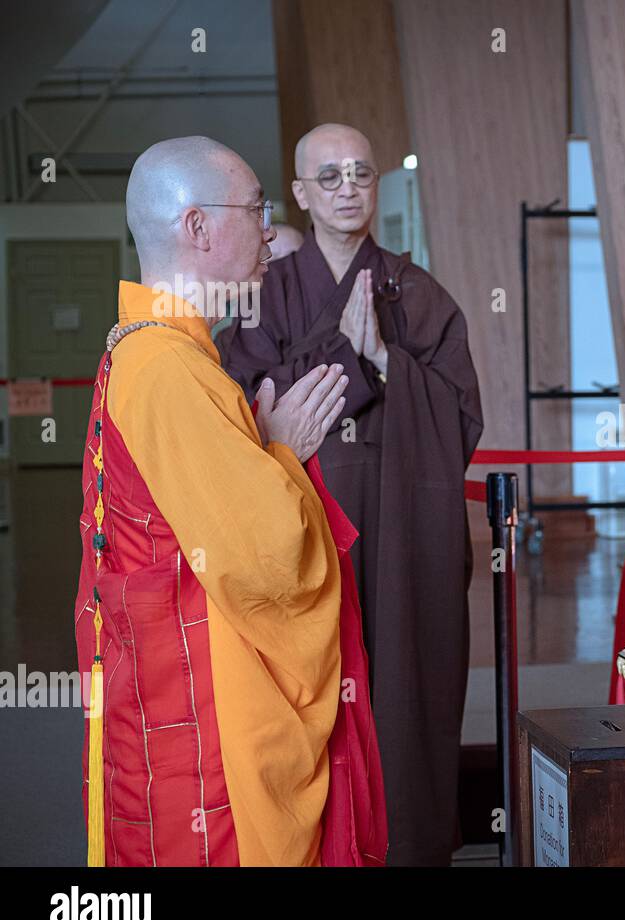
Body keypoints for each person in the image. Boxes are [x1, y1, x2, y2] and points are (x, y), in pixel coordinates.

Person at [74, 135, 385, 866]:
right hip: (200, 724)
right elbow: (272, 562)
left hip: (162, 694)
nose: (272, 232)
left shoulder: (153, 351)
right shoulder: (169, 372)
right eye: (256, 208)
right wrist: (279, 454)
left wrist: (263, 450)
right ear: (198, 226)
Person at [219, 123, 483, 866]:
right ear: (299, 194)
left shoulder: (419, 293)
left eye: (360, 174)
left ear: (377, 186)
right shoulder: (260, 297)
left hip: (402, 531)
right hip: (299, 530)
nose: (346, 189)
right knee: (303, 693)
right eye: (327, 178)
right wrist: (350, 355)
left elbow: (463, 418)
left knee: (403, 689)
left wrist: (388, 363)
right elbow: (245, 402)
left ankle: (404, 845)